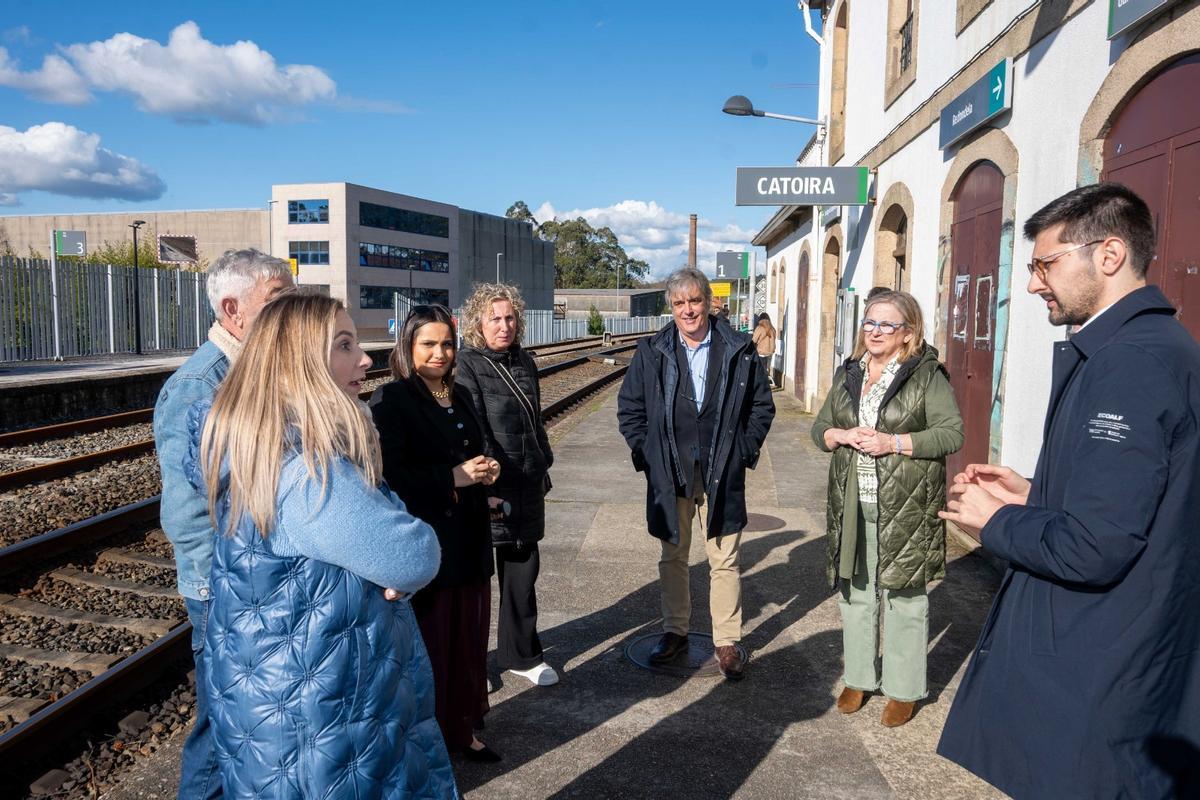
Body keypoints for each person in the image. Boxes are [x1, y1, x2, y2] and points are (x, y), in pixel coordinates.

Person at [938, 183, 1200, 798]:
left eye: (1045, 264)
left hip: (1101, 665)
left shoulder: (1132, 362)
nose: (1031, 283)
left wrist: (993, 521)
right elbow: (1138, 498)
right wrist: (1035, 490)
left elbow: (1095, 544)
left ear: (1108, 255)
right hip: (1115, 651)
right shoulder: (1150, 348)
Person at [186, 293, 457, 798]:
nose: (365, 359)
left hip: (282, 700)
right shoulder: (309, 473)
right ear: (301, 362)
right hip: (326, 713)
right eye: (344, 345)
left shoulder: (256, 448)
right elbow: (414, 554)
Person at [152, 248, 292, 800]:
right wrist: (221, 587)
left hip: (259, 579)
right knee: (221, 725)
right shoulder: (200, 387)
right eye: (277, 300)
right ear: (233, 309)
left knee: (251, 719)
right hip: (226, 588)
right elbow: (188, 515)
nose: (291, 310)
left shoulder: (256, 370)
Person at [810, 290, 963, 728]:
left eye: (886, 325)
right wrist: (838, 435)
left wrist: (892, 442)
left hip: (906, 505)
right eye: (870, 323)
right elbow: (820, 428)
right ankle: (859, 678)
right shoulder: (850, 373)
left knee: (904, 596)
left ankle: (904, 688)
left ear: (908, 333)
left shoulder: (927, 376)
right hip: (852, 501)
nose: (875, 332)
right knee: (855, 592)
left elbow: (951, 435)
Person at [616, 267, 775, 680]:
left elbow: (761, 406)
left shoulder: (739, 349)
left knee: (725, 559)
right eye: (679, 303)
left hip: (723, 470)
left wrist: (743, 450)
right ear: (671, 307)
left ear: (709, 302)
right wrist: (647, 454)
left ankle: (726, 641)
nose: (688, 310)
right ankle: (675, 633)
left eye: (695, 301)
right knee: (673, 556)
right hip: (671, 471)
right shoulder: (652, 350)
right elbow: (630, 409)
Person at [370, 304, 503, 762]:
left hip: (470, 539)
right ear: (408, 347)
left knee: (468, 641)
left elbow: (474, 451)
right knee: (432, 650)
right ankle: (430, 747)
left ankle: (462, 729)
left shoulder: (459, 393)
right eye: (428, 343)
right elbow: (391, 478)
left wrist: (487, 471)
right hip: (428, 546)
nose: (439, 353)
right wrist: (453, 477)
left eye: (447, 343)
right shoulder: (392, 401)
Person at [455, 284, 560, 687]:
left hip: (527, 481)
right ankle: (472, 664)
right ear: (479, 324)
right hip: (491, 486)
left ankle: (522, 655)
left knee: (522, 573)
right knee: (477, 579)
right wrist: (486, 484)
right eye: (495, 318)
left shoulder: (525, 362)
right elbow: (475, 428)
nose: (504, 325)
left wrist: (544, 457)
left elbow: (535, 420)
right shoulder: (467, 364)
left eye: (510, 317)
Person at [751, 313, 777, 387]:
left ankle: (762, 385)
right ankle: (766, 383)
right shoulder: (773, 329)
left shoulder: (760, 328)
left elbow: (754, 340)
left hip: (761, 352)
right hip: (770, 352)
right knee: (766, 368)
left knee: (761, 369)